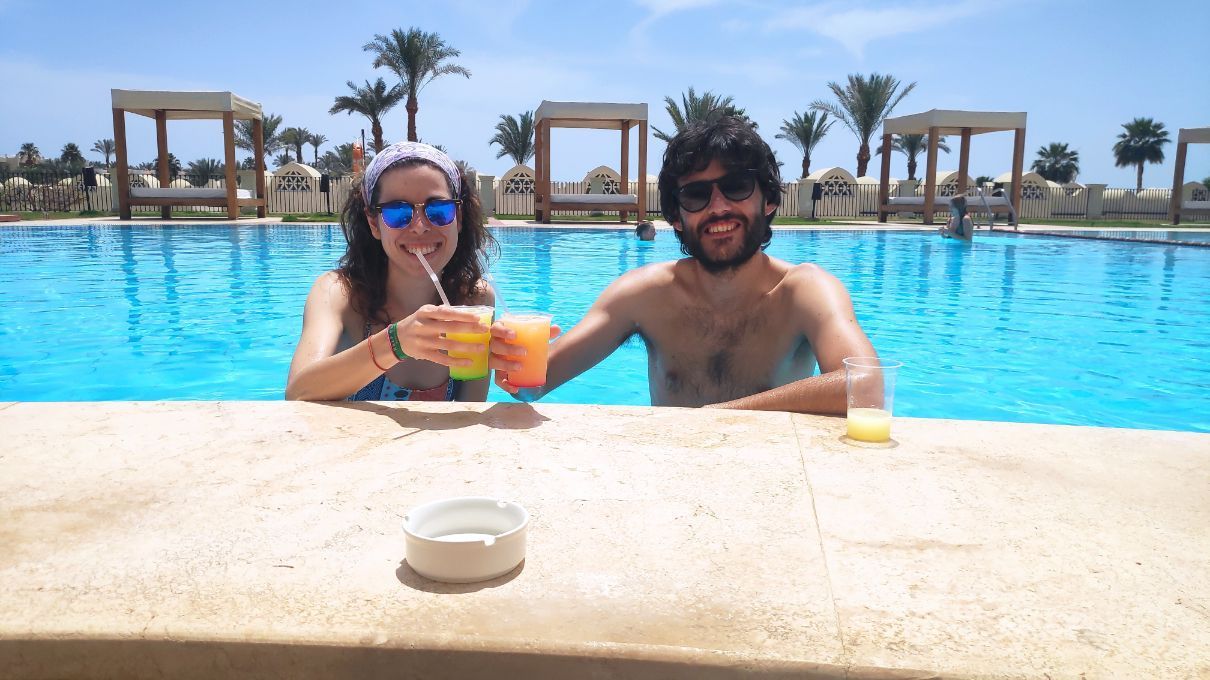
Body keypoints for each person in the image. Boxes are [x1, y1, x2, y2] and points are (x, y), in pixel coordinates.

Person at [489, 116, 877, 414]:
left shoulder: (804, 291)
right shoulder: (645, 295)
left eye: (737, 187)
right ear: (676, 217)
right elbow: (534, 384)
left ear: (769, 200)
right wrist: (508, 362)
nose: (719, 207)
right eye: (696, 195)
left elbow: (866, 386)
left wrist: (718, 417)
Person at [286, 141, 496, 401]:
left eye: (438, 210)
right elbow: (297, 392)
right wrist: (396, 343)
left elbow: (470, 412)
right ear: (374, 223)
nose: (420, 226)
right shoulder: (338, 293)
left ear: (459, 218)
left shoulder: (474, 301)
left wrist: (520, 379)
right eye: (398, 212)